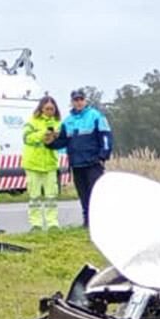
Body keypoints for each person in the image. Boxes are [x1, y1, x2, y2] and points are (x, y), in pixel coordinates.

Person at [53, 89, 112, 226]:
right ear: (72, 102)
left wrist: (103, 155)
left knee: (96, 193)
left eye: (81, 99)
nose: (78, 102)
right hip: (76, 163)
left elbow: (105, 136)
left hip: (93, 162)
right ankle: (87, 221)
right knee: (83, 194)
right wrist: (50, 142)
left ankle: (100, 221)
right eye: (76, 100)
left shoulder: (96, 116)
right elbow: (62, 141)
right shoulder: (67, 121)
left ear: (85, 101)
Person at [21, 95, 62, 232]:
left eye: (52, 108)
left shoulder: (58, 123)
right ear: (41, 108)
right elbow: (26, 138)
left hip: (50, 163)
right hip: (33, 163)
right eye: (47, 108)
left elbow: (61, 141)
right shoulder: (32, 121)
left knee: (51, 196)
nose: (49, 111)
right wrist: (43, 134)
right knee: (34, 196)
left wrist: (56, 136)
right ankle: (36, 224)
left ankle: (52, 223)